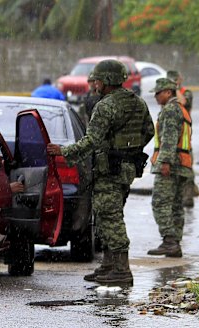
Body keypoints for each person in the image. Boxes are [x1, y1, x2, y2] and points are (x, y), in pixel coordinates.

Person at [47, 59, 154, 285]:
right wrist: (130, 150)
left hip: (109, 170)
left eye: (96, 79)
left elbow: (91, 141)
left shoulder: (105, 106)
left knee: (110, 218)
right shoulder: (138, 103)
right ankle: (108, 265)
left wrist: (63, 151)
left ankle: (122, 270)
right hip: (126, 169)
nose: (94, 84)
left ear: (106, 80)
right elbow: (149, 132)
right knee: (108, 215)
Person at [147, 78, 193, 257]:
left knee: (160, 202)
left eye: (158, 93)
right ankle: (174, 243)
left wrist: (165, 162)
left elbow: (169, 138)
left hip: (171, 165)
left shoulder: (170, 110)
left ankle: (169, 241)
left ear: (168, 92)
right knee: (175, 205)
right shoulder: (181, 109)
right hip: (182, 164)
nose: (156, 97)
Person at [167, 70, 196, 207]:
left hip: (185, 137)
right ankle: (175, 199)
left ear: (180, 79)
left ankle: (188, 198)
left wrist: (176, 89)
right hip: (171, 137)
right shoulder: (167, 94)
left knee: (187, 169)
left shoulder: (186, 92)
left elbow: (184, 102)